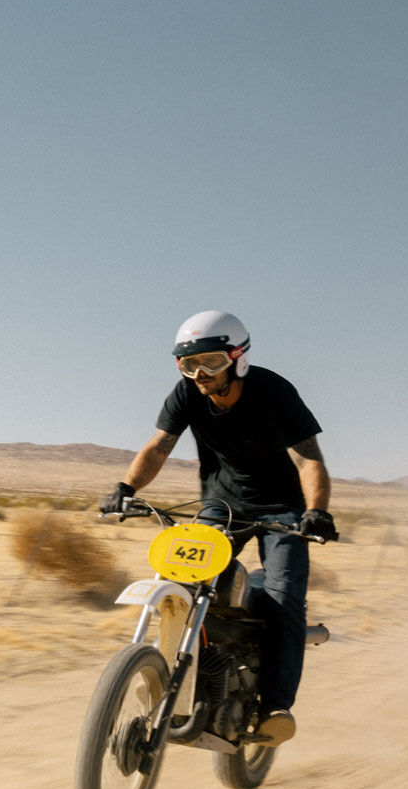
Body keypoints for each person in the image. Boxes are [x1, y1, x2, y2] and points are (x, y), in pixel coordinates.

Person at [100, 310, 337, 745]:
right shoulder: (187, 394)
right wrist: (125, 487)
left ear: (237, 358)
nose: (200, 374)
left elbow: (308, 460)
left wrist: (316, 511)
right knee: (180, 580)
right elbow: (158, 447)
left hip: (283, 510)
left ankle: (273, 706)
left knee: (285, 597)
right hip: (222, 505)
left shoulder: (275, 393)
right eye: (189, 364)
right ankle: (188, 675)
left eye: (210, 362)